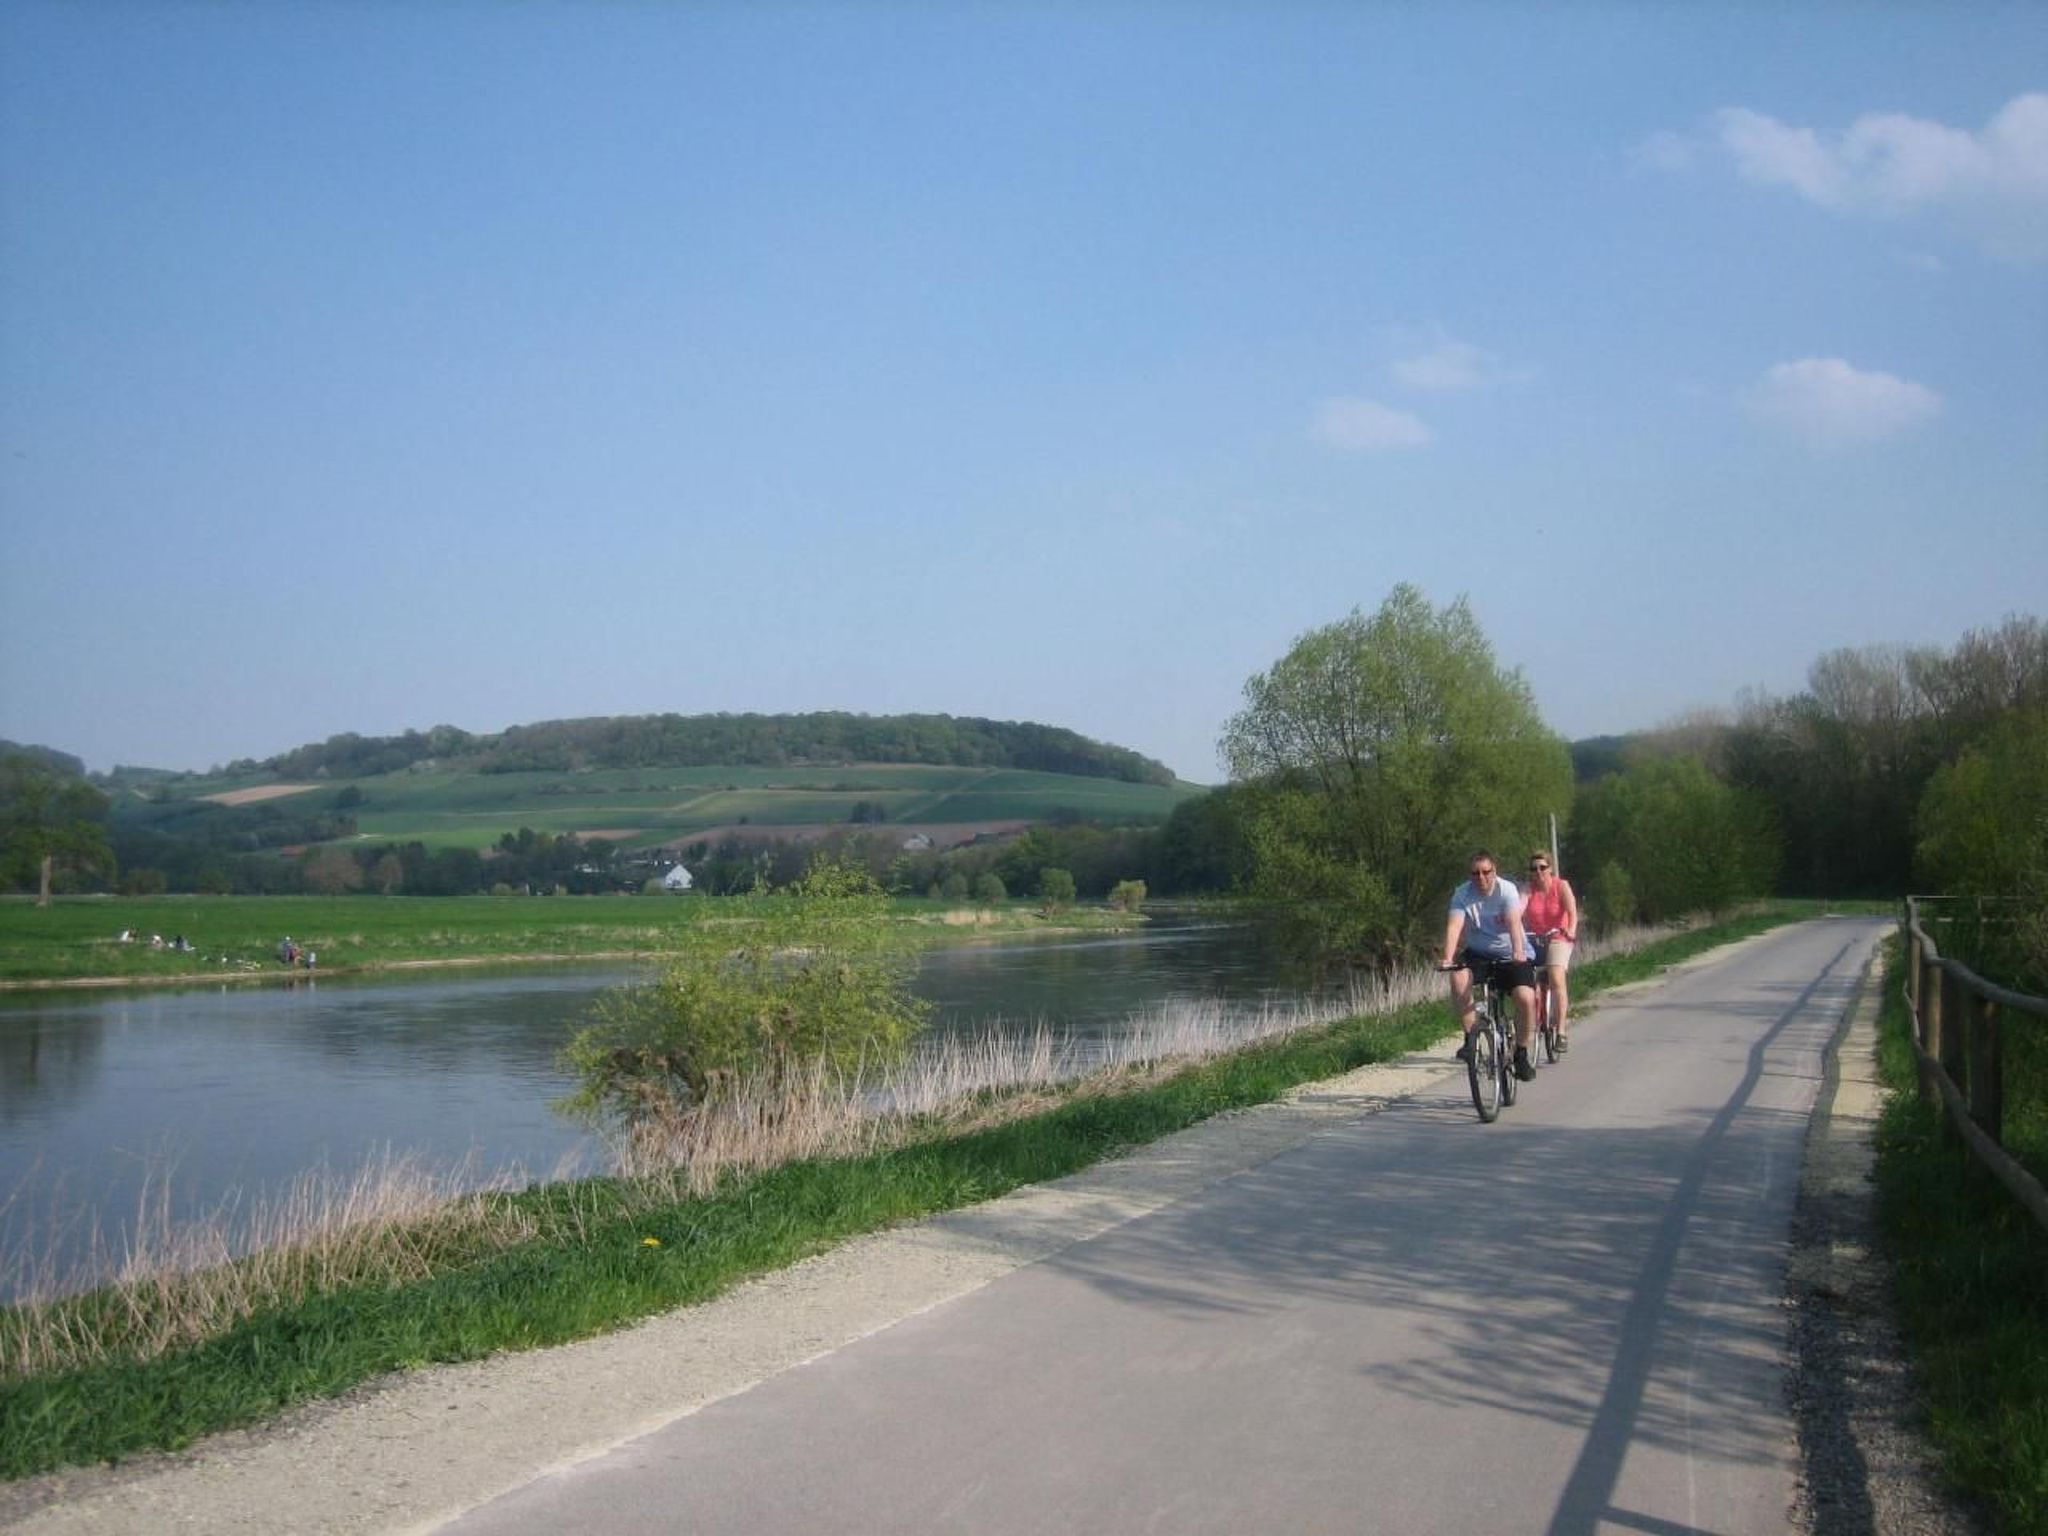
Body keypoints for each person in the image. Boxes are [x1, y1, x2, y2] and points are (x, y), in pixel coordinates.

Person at [1441, 851, 1540, 1081]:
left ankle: (1521, 1052)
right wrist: (1448, 957)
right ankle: (1471, 1039)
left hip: (1511, 954)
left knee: (1525, 998)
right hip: (1478, 953)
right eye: (1475, 873)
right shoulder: (1462, 894)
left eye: (1486, 872)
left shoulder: (1506, 890)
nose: (1481, 878)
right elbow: (1454, 927)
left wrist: (1517, 952)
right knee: (1457, 976)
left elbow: (1514, 922)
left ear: (1495, 871)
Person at [1520, 850, 1579, 1053]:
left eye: (1542, 867)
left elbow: (1572, 913)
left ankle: (1561, 1031)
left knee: (1555, 975)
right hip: (1535, 939)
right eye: (1534, 868)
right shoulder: (1529, 890)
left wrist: (1570, 931)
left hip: (1559, 936)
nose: (1538, 872)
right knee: (1525, 978)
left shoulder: (1561, 886)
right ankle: (1530, 1023)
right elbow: (1519, 908)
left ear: (1550, 868)